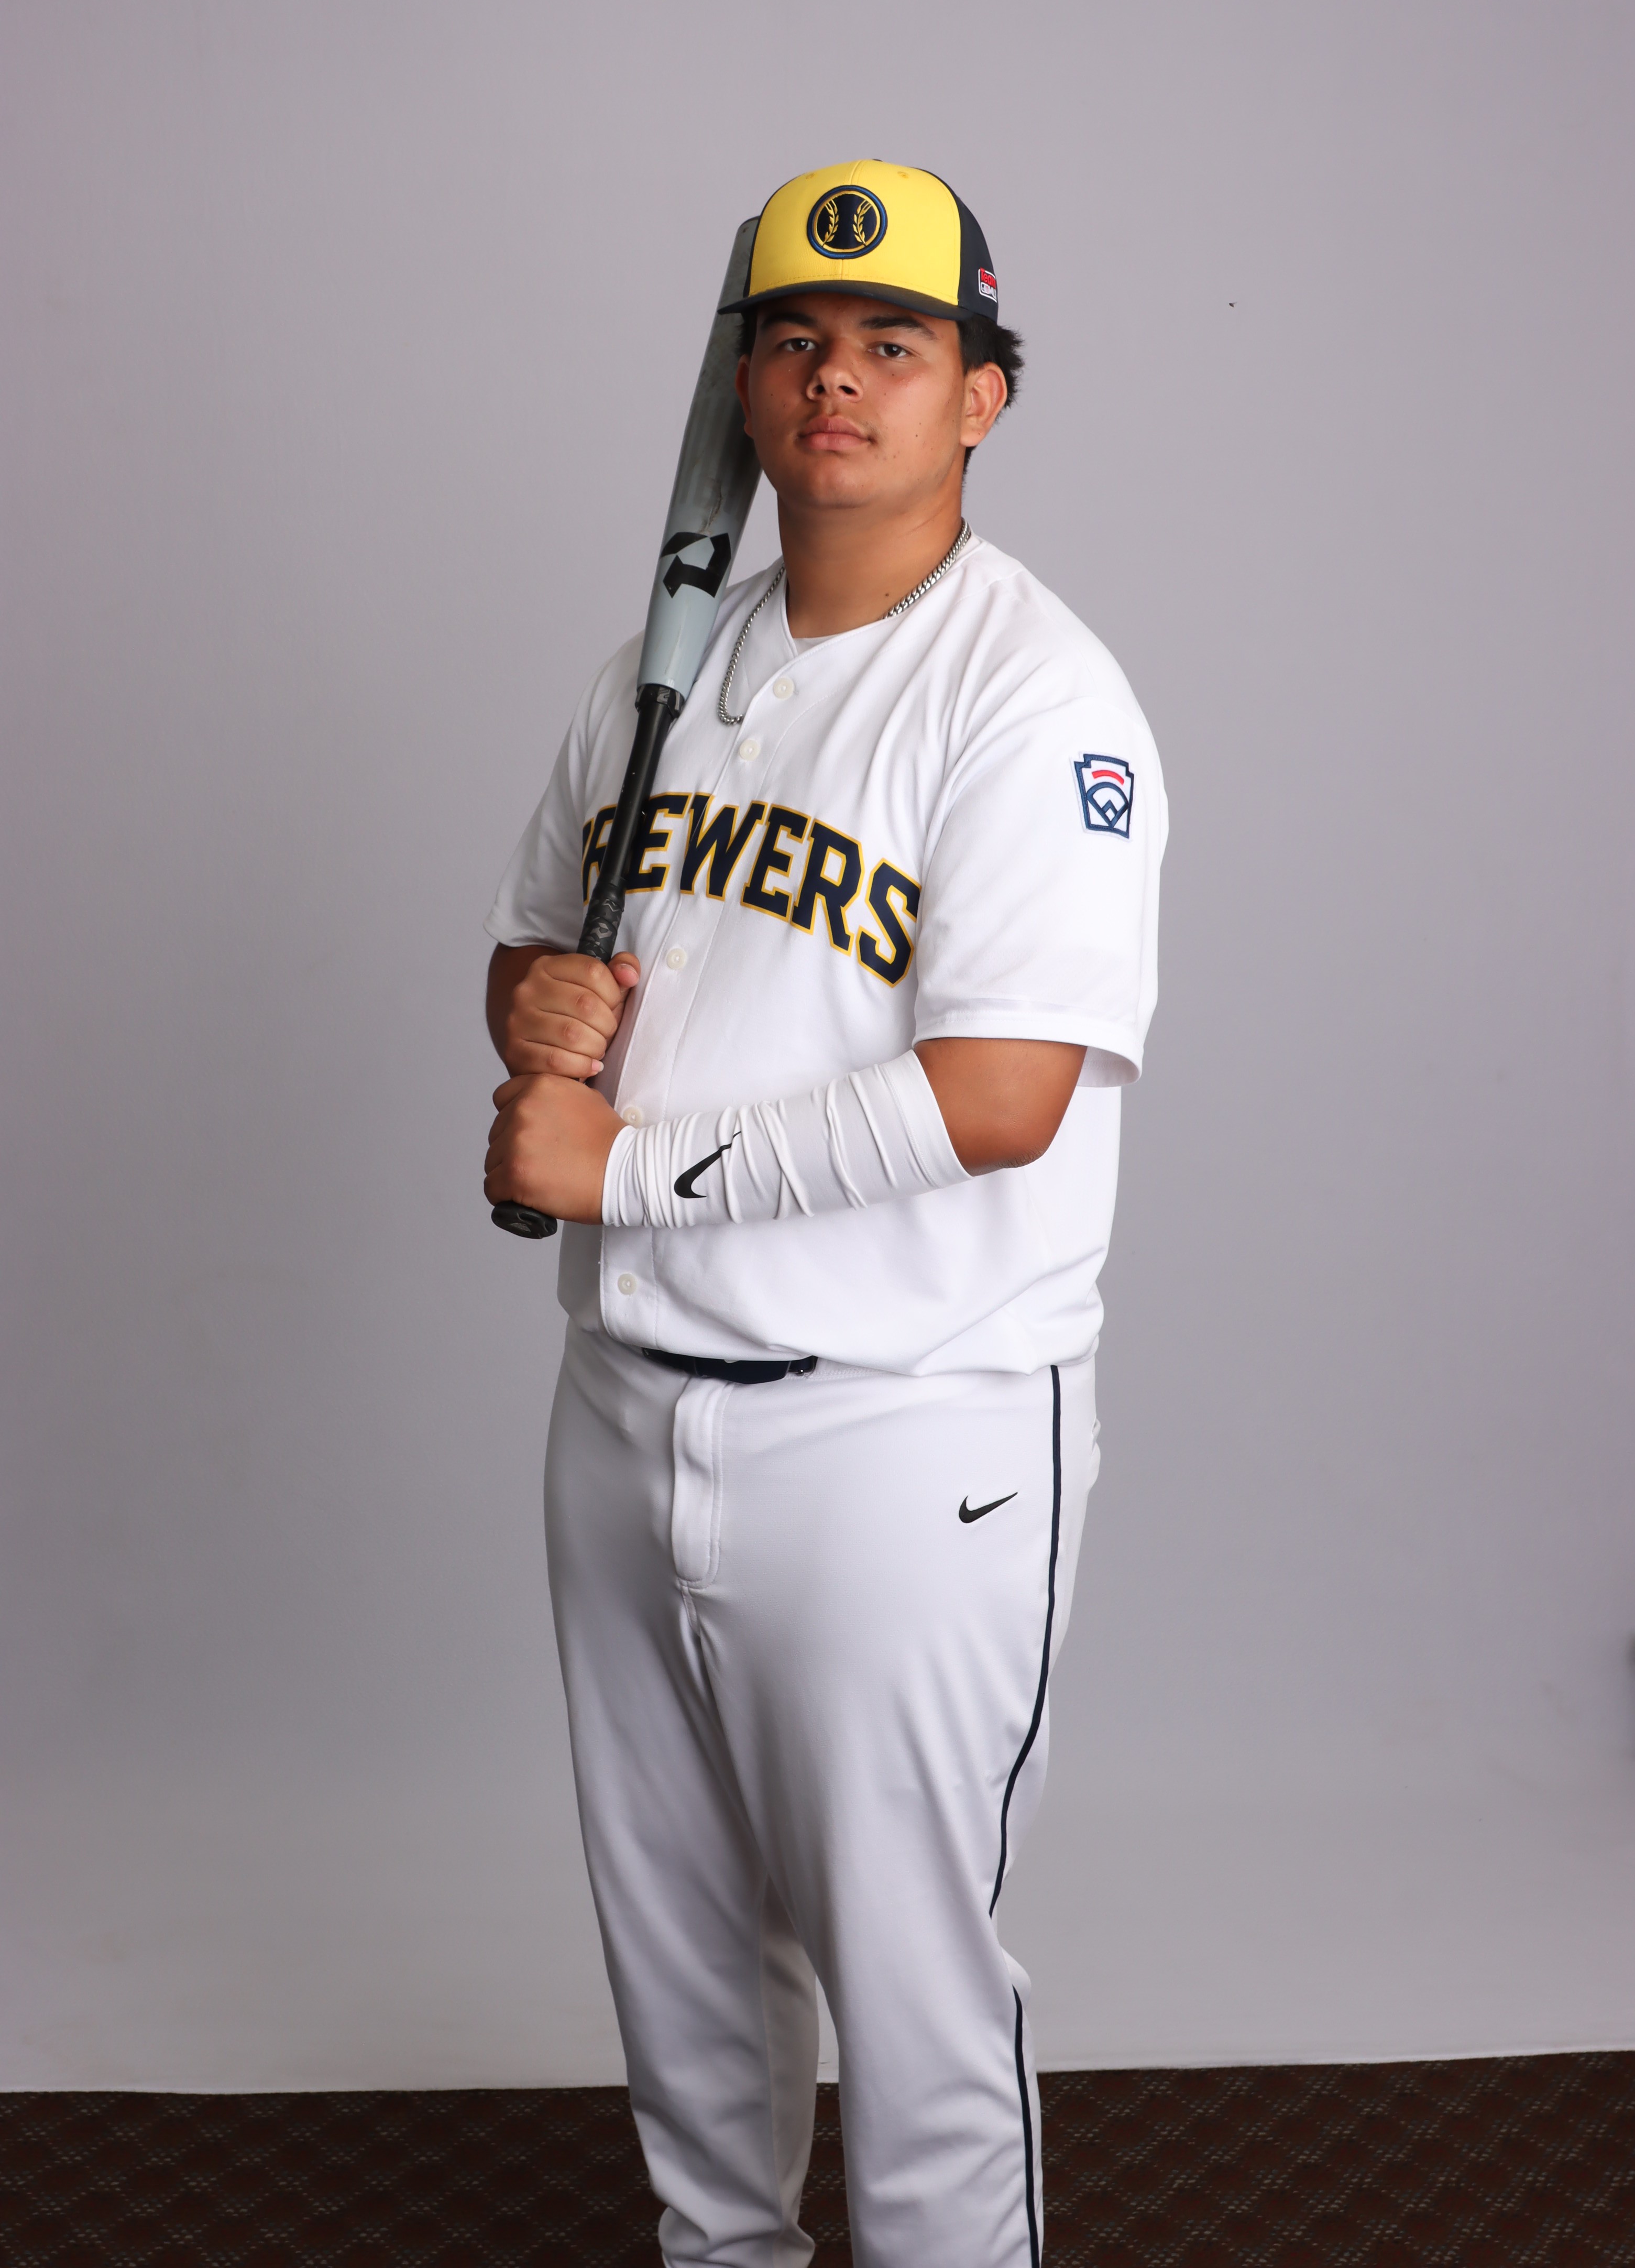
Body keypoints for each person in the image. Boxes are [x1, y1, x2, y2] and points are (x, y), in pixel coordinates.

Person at [482, 159, 1166, 2268]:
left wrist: (621, 1168)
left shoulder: (1034, 696)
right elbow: (537, 963)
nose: (836, 379)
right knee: (681, 1956)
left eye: (893, 343)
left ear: (981, 396)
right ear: (745, 388)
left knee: (913, 1984)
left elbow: (999, 1100)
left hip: (904, 1424)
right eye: (794, 339)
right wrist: (533, 1012)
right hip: (624, 1398)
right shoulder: (655, 671)